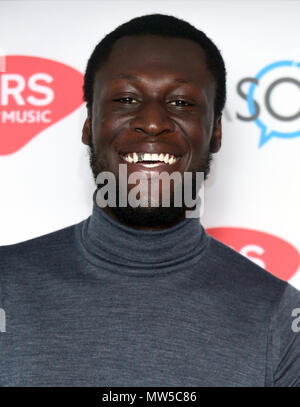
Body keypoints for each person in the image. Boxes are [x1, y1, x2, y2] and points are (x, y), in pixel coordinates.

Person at [0, 13, 299, 387]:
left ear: (216, 132)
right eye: (126, 98)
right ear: (89, 123)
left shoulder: (281, 316)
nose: (154, 122)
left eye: (182, 103)